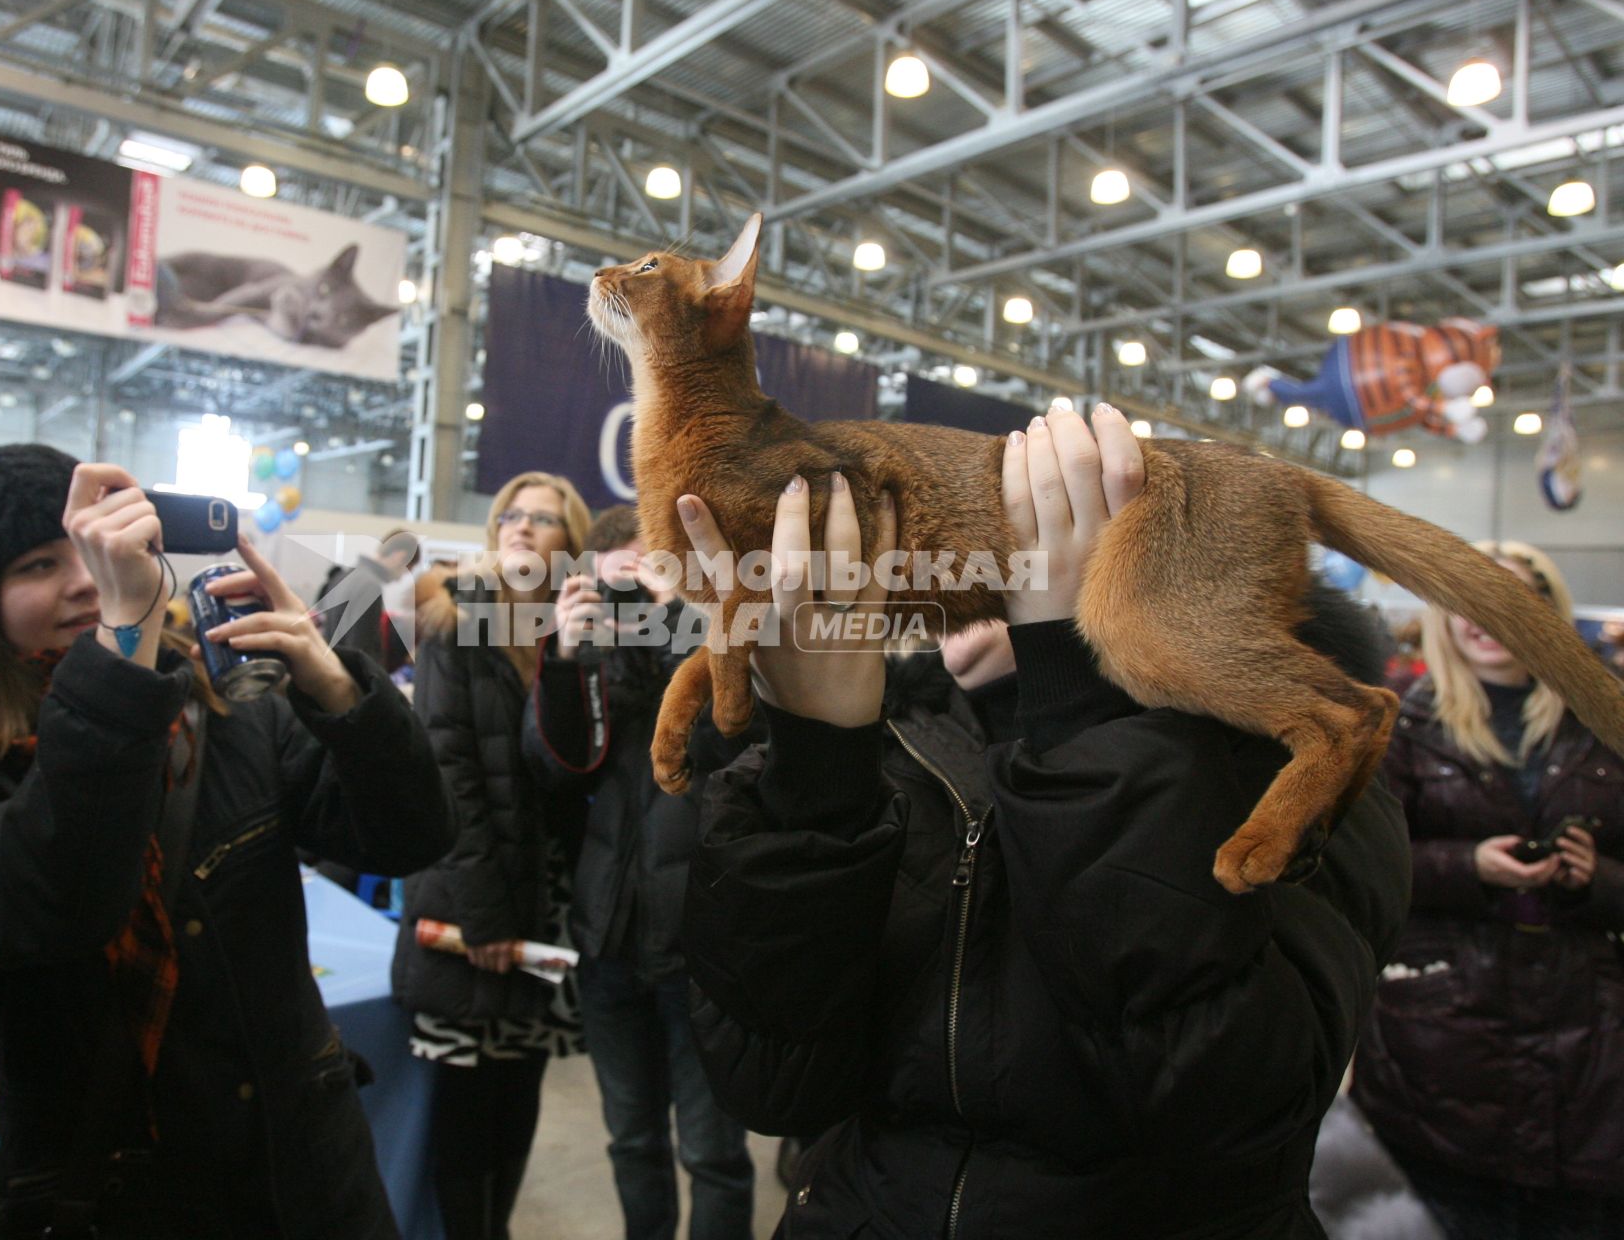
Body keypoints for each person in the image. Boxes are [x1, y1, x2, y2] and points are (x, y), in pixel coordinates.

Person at [677, 403, 1413, 1237]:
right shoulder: (903, 743)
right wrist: (817, 754)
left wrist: (1082, 677)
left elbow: (1223, 1106)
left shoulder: (1294, 778)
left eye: (1043, 503)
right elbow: (772, 1082)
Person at [0, 443, 454, 1239]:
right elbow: (50, 911)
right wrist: (121, 649)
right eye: (40, 565)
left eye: (91, 550)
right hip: (119, 1193)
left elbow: (409, 834)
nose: (84, 580)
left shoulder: (227, 715)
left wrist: (330, 682)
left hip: (303, 1172)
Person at [1351, 541, 1624, 1238]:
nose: (1492, 614)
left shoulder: (1606, 721)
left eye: (1516, 594)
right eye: (1472, 595)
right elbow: (1363, 867)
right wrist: (1468, 866)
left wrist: (1601, 878)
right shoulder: (1398, 723)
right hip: (1443, 1045)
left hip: (1592, 1049)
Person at [528, 504, 753, 1240]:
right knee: (632, 1141)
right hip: (609, 942)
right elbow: (548, 773)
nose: (630, 601)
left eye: (645, 579)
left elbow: (739, 761)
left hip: (703, 950)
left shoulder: (722, 650)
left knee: (714, 1152)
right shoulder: (588, 660)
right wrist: (566, 658)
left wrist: (681, 633)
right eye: (615, 584)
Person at [390, 470, 592, 1240]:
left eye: (542, 520)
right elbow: (452, 776)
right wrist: (484, 917)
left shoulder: (566, 636)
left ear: (566, 549)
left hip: (546, 906)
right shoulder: (454, 616)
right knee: (468, 1123)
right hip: (472, 905)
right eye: (511, 515)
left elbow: (571, 773)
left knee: (517, 1104)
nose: (519, 528)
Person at [317, 528, 422, 674]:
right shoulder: (370, 586)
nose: (401, 578)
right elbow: (361, 651)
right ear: (400, 557)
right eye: (408, 569)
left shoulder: (343, 577)